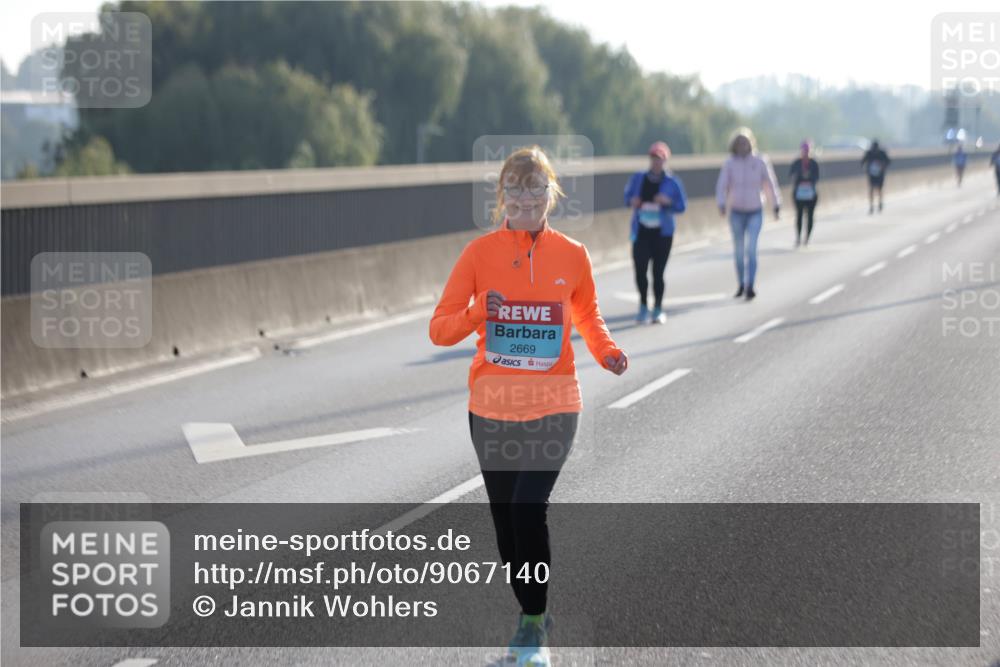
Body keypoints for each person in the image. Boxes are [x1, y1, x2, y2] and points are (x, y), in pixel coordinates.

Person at [429, 145, 628, 667]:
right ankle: (532, 611)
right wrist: (477, 312)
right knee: (504, 526)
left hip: (555, 404)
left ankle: (534, 627)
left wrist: (606, 352)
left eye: (535, 187)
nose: (525, 197)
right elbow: (439, 328)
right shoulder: (478, 255)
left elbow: (587, 315)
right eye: (514, 188)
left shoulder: (573, 255)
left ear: (551, 195)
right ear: (502, 196)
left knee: (527, 509)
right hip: (491, 409)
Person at [623, 141, 688, 324]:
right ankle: (643, 306)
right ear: (650, 159)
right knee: (640, 271)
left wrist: (667, 201)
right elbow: (626, 197)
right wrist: (633, 201)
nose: (656, 162)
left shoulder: (672, 182)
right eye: (653, 158)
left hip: (663, 233)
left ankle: (658, 309)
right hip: (641, 231)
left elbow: (682, 206)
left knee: (658, 273)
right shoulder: (638, 178)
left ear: (665, 161)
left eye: (660, 159)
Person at [715, 127, 781, 301]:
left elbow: (769, 183)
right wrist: (721, 203)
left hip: (755, 211)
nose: (742, 146)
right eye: (739, 143)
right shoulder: (730, 163)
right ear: (734, 146)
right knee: (738, 251)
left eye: (745, 142)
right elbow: (722, 185)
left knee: (751, 249)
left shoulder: (760, 161)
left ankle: (750, 284)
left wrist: (776, 204)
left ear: (751, 143)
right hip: (736, 211)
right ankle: (741, 284)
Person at [788, 140, 820, 247]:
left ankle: (807, 237)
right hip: (799, 194)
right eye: (803, 150)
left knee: (810, 216)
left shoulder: (814, 163)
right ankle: (798, 237)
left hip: (811, 194)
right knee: (799, 215)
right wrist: (799, 176)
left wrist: (809, 177)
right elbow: (791, 175)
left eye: (807, 150)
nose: (805, 152)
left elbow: (817, 177)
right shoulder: (796, 163)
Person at [861, 139, 891, 214]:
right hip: (871, 174)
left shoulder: (882, 153)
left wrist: (882, 165)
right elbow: (863, 162)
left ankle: (880, 202)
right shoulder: (869, 153)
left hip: (880, 174)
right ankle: (871, 205)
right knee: (871, 189)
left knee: (879, 189)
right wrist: (866, 168)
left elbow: (888, 161)